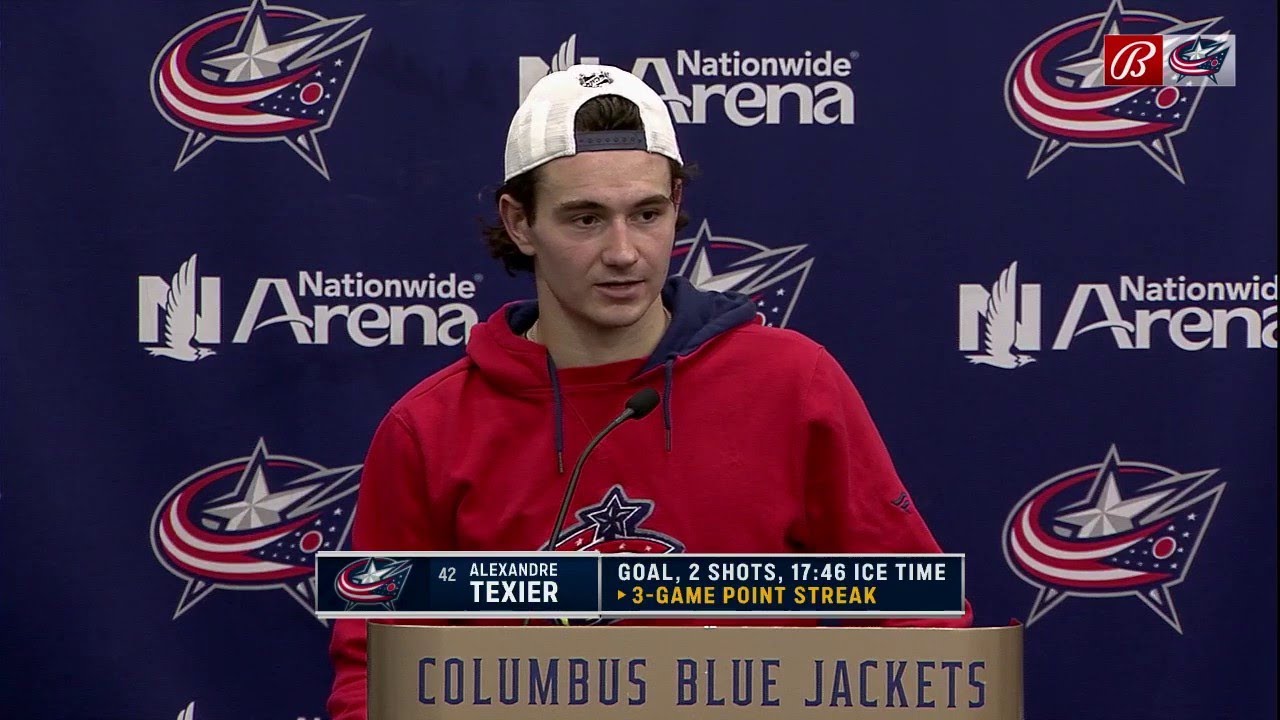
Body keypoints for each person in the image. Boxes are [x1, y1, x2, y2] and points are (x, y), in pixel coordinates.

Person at [326, 64, 973, 720]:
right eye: (585, 219)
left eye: (648, 213)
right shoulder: (428, 429)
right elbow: (376, 674)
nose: (624, 252)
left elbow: (914, 617)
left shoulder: (793, 384)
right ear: (520, 223)